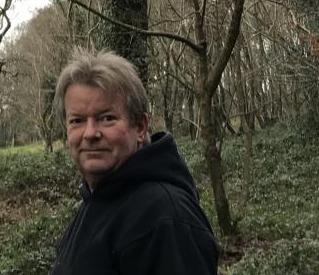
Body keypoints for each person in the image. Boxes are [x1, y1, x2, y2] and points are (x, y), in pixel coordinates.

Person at [49, 48, 219, 275]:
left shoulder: (164, 218)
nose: (90, 133)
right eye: (77, 120)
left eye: (107, 118)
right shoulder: (99, 198)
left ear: (140, 127)